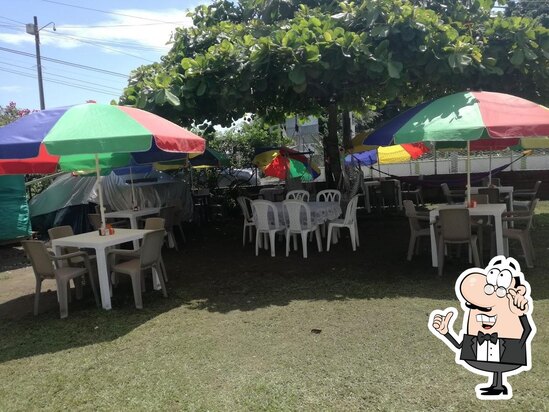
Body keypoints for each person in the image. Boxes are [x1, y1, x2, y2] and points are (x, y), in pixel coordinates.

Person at [429, 256, 536, 400]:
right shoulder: (475, 332)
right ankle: (496, 385)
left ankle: (498, 386)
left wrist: (521, 316)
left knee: (500, 365)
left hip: (507, 349)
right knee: (495, 366)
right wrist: (446, 332)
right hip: (481, 352)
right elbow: (462, 346)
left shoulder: (512, 310)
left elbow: (527, 329)